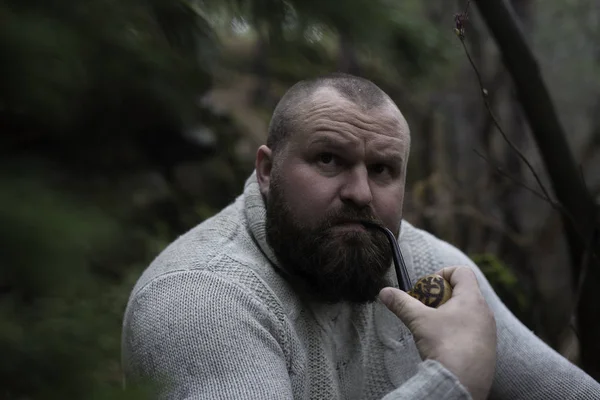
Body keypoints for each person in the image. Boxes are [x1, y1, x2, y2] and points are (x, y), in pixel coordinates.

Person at [121, 73, 600, 399]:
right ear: (267, 170)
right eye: (329, 159)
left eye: (382, 169)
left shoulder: (432, 270)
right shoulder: (199, 298)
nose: (360, 193)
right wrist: (449, 381)